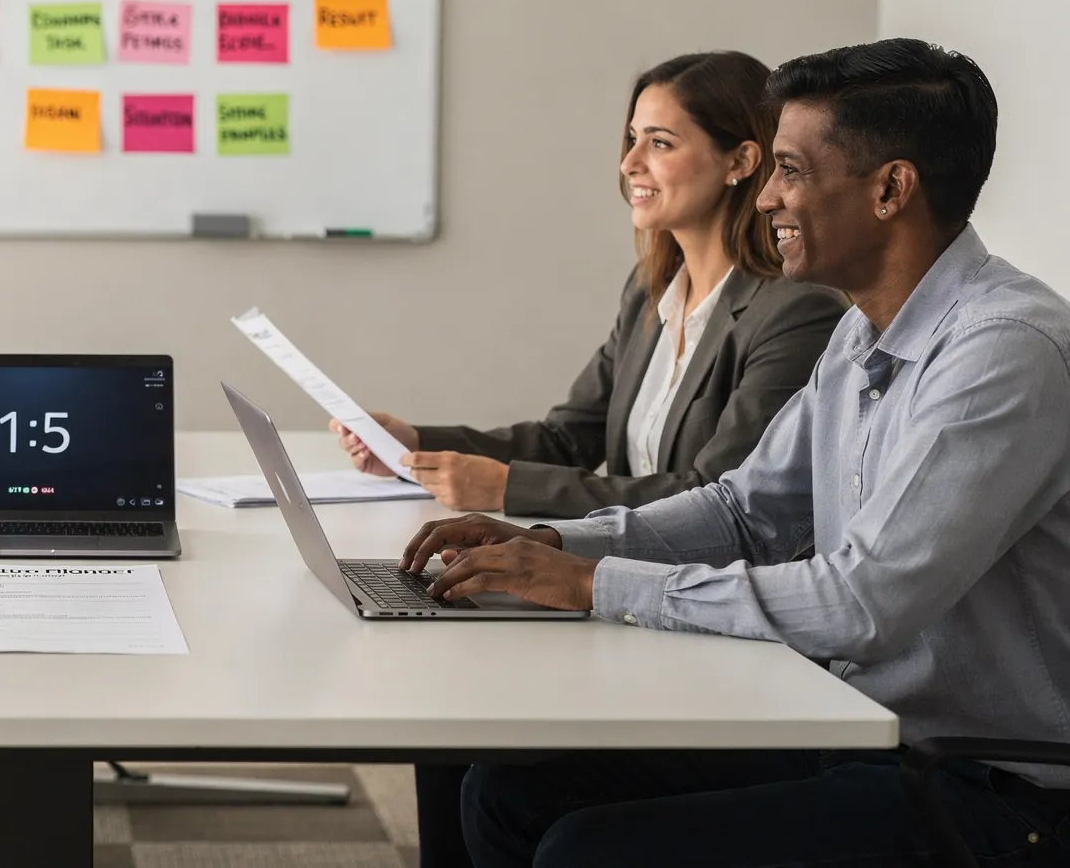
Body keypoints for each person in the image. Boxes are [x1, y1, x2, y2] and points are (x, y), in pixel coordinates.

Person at [402, 38, 1070, 867]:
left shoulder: (1005, 351)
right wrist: (555, 544)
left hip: (983, 784)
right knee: (502, 791)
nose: (767, 201)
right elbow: (743, 509)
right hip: (851, 722)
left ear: (891, 188)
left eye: (790, 171)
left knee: (590, 850)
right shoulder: (865, 330)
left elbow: (862, 603)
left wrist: (594, 584)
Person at [336, 52, 847, 868]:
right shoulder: (654, 291)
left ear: (740, 162)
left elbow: (719, 497)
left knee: (479, 738)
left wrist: (510, 493)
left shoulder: (796, 314)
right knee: (446, 726)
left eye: (658, 143)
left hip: (705, 624)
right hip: (623, 600)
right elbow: (572, 434)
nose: (629, 166)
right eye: (629, 140)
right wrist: (419, 443)